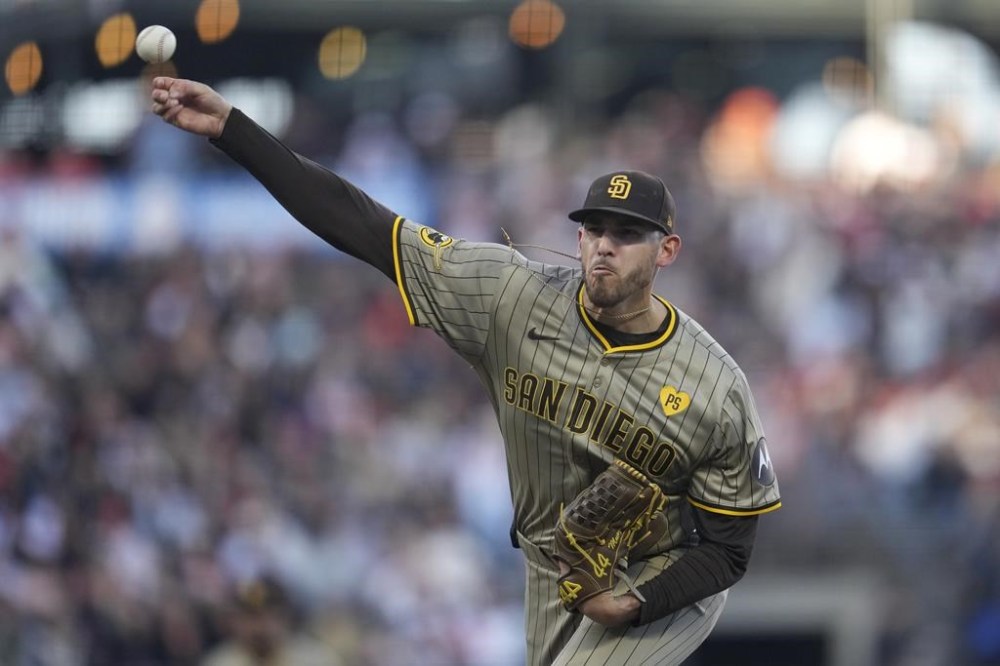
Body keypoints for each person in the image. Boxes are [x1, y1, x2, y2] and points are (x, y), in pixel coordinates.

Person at [151, 77, 782, 666]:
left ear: (667, 250)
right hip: (549, 567)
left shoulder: (713, 386)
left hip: (660, 574)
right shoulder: (512, 298)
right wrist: (233, 129)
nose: (605, 245)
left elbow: (728, 549)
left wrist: (633, 602)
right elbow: (367, 227)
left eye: (628, 233)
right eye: (594, 229)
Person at [201, 575, 342, 666]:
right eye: (249, 618)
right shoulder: (220, 662)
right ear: (235, 622)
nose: (258, 628)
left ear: (284, 619)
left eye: (267, 617)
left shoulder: (317, 660)